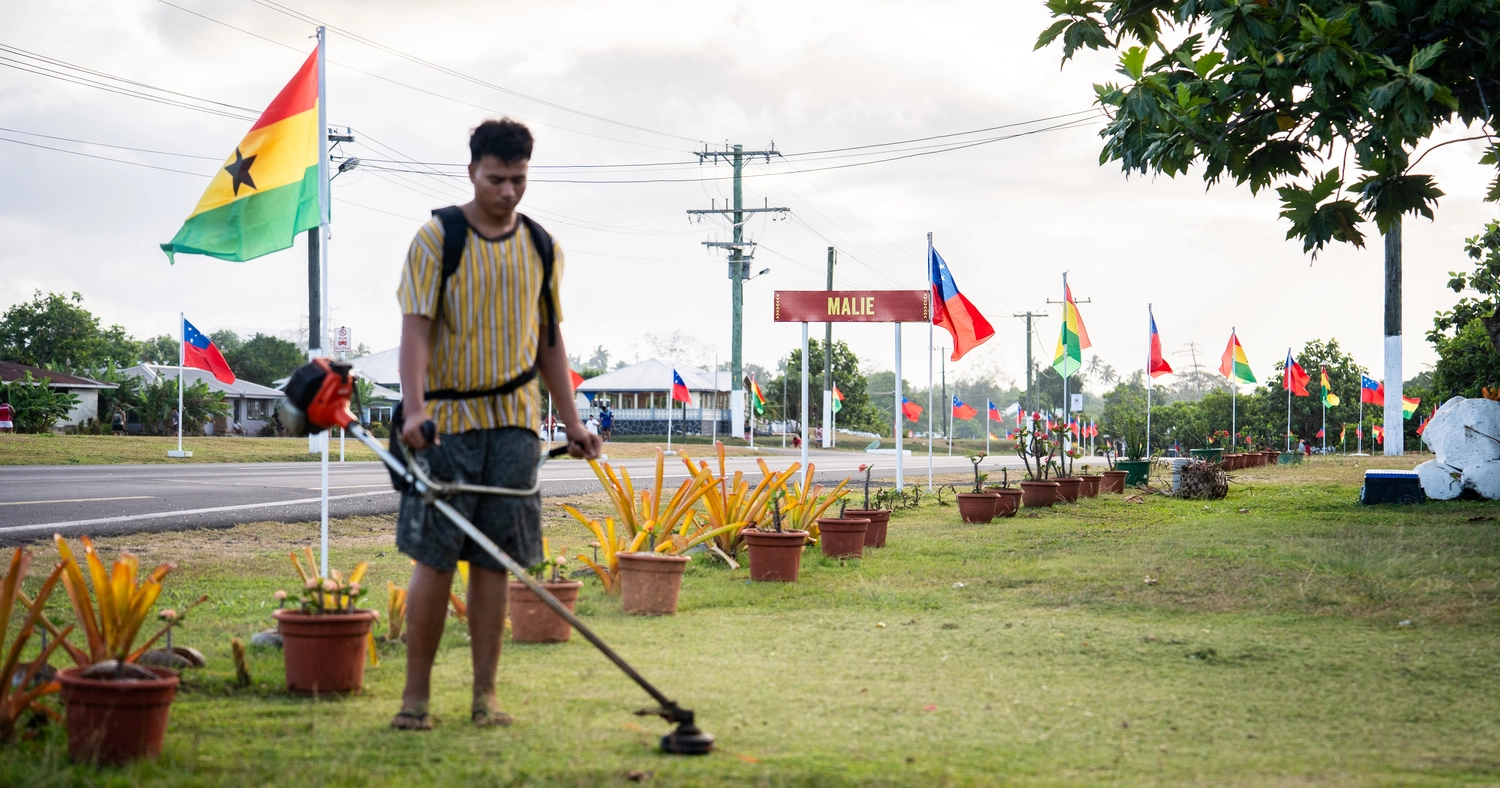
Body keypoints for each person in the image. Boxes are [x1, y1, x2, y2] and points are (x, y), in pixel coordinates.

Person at [391, 118, 601, 732]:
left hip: (515, 425)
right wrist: (414, 409)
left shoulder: (542, 246)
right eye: (496, 179)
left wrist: (574, 423)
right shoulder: (437, 238)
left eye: (519, 179)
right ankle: (415, 701)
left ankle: (485, 699)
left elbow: (549, 342)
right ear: (472, 171)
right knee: (434, 559)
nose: (508, 192)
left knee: (492, 562)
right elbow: (416, 331)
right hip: (445, 425)